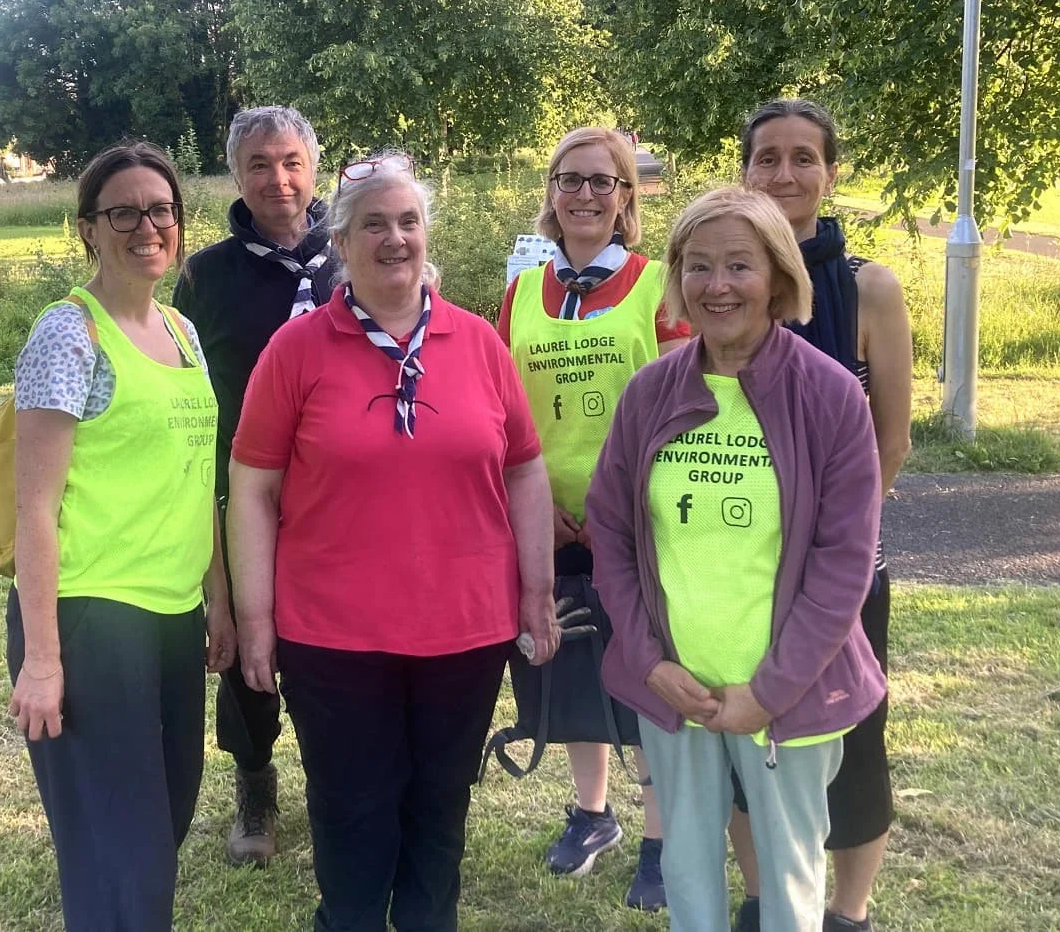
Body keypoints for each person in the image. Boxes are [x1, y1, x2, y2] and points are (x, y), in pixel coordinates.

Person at [228, 153, 561, 932]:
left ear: (426, 234)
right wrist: (254, 617)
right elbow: (252, 487)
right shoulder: (298, 349)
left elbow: (525, 469)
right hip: (333, 635)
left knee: (440, 813)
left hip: (466, 632)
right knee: (352, 818)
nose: (394, 238)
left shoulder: (479, 342)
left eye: (408, 221)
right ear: (340, 242)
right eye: (373, 223)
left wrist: (537, 590)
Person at [586, 187, 887, 932]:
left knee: (788, 879)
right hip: (675, 688)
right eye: (698, 265)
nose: (717, 286)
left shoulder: (830, 394)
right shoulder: (650, 391)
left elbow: (843, 563)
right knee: (687, 869)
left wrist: (770, 690)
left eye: (739, 266)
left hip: (789, 696)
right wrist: (650, 659)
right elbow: (612, 531)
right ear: (678, 277)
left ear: (778, 278)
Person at [6, 140, 235, 930]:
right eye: (124, 211)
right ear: (88, 230)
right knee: (122, 854)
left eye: (162, 209)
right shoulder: (70, 337)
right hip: (90, 618)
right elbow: (32, 506)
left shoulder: (181, 330)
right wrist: (42, 659)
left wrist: (219, 601)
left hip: (171, 619)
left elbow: (197, 475)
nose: (148, 225)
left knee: (160, 831)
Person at [731, 98, 913, 932]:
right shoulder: (724, 279)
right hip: (735, 567)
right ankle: (766, 898)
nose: (785, 173)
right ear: (746, 171)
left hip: (841, 573)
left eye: (804, 157)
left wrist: (833, 553)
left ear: (831, 173)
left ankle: (847, 910)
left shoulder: (869, 288)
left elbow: (891, 443)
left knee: (852, 738)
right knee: (742, 734)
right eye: (768, 157)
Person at [496, 127, 690, 910]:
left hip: (639, 520)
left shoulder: (657, 287)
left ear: (626, 198)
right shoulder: (521, 292)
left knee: (646, 675)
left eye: (601, 181)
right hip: (547, 519)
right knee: (572, 664)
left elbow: (685, 407)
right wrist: (541, 509)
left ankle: (661, 837)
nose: (583, 195)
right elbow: (504, 407)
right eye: (568, 180)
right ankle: (591, 813)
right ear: (549, 193)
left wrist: (614, 504)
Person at [172, 104, 340, 866]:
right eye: (261, 164)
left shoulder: (355, 254)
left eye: (291, 161)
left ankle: (342, 777)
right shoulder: (203, 276)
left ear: (315, 167)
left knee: (340, 647)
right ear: (237, 175)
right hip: (247, 494)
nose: (279, 178)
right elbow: (181, 387)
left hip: (344, 497)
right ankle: (254, 779)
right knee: (248, 642)